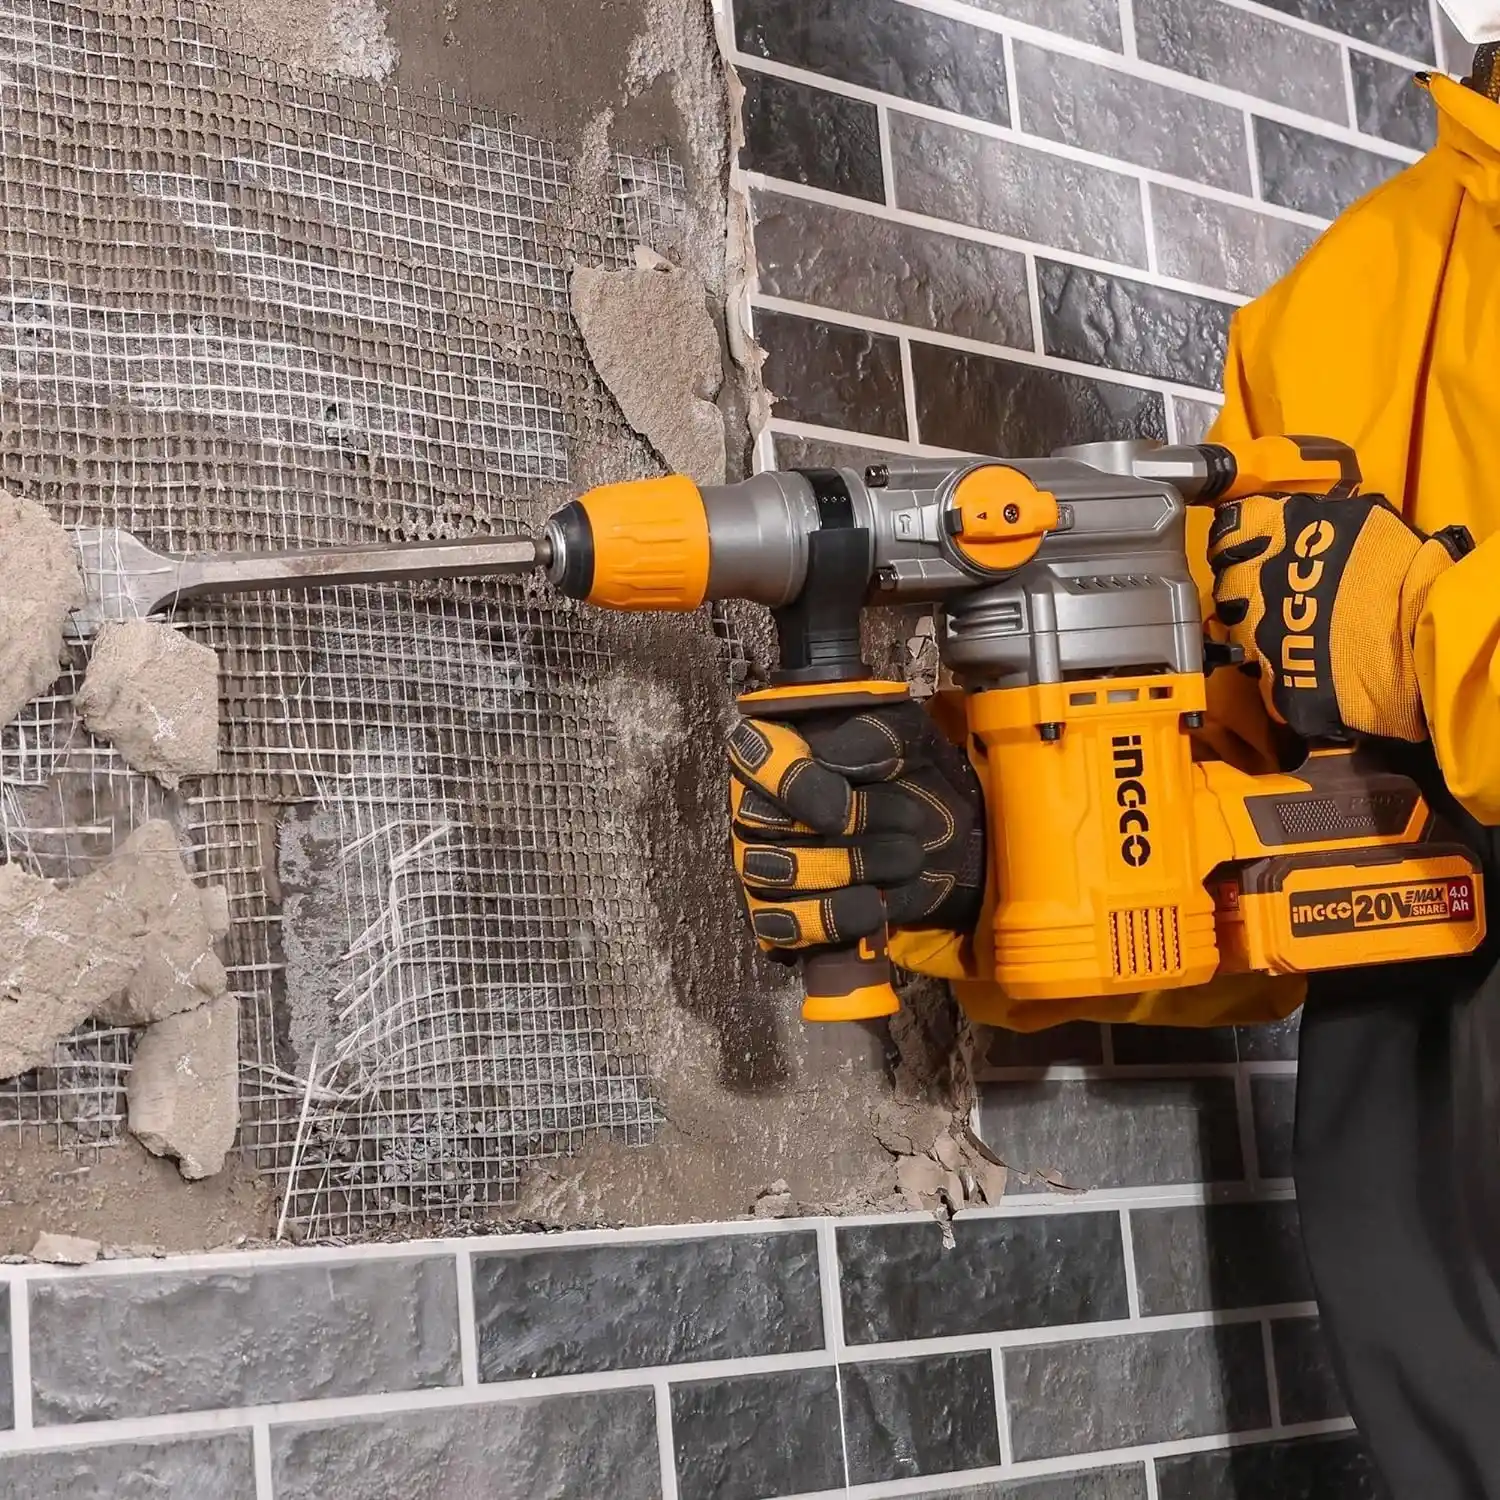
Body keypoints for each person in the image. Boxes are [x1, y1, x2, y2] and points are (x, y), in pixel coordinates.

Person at [726, 32, 1500, 1500]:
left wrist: (1428, 635)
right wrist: (999, 855)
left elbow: (1416, 650)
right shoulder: (1341, 308)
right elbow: (1276, 845)